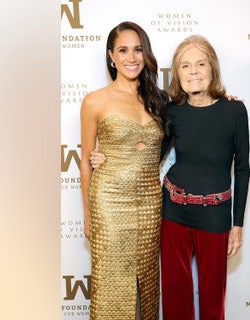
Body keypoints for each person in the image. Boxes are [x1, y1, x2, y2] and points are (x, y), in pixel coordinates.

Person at [91, 35, 250, 320]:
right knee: (176, 300)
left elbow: (242, 169)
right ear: (177, 73)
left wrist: (237, 224)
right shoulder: (172, 110)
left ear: (212, 68)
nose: (194, 72)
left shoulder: (235, 110)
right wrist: (104, 155)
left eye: (201, 64)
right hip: (173, 213)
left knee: (214, 303)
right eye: (185, 66)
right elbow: (149, 152)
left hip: (215, 215)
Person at [79, 21, 167, 320]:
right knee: (112, 283)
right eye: (123, 50)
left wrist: (227, 103)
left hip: (150, 203)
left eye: (138, 49)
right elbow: (85, 160)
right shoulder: (94, 101)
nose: (132, 57)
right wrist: (89, 215)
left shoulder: (160, 99)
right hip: (110, 202)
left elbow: (195, 115)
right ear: (111, 56)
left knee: (147, 283)